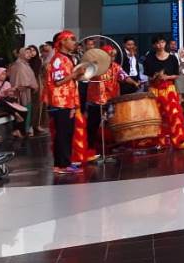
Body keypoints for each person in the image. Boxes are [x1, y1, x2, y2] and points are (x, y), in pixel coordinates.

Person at [144, 35, 184, 149]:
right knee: (156, 117)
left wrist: (167, 77)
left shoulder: (172, 58)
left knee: (174, 114)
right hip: (154, 91)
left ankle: (179, 140)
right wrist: (155, 77)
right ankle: (159, 141)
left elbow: (176, 75)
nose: (160, 45)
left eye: (162, 42)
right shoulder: (149, 58)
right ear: (154, 45)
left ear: (165, 43)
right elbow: (148, 77)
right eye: (158, 43)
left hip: (168, 89)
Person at [44, 30, 87, 173]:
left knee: (66, 133)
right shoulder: (58, 59)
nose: (75, 42)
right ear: (62, 41)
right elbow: (58, 82)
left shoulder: (67, 58)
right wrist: (75, 74)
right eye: (72, 39)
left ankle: (63, 163)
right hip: (60, 102)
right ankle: (61, 165)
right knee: (62, 134)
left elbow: (70, 81)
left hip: (67, 101)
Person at [85, 45, 127, 158]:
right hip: (96, 100)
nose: (112, 57)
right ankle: (90, 148)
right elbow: (85, 76)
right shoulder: (95, 67)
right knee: (92, 125)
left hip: (111, 100)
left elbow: (124, 76)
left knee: (113, 122)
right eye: (110, 55)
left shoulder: (116, 67)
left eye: (114, 55)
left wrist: (133, 82)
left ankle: (113, 145)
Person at [8, 48, 38, 137]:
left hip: (26, 91)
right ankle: (23, 130)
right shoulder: (19, 65)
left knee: (26, 109)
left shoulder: (25, 64)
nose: (29, 54)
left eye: (29, 52)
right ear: (21, 54)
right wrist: (31, 85)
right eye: (26, 52)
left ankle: (26, 128)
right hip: (20, 92)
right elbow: (21, 80)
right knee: (23, 109)